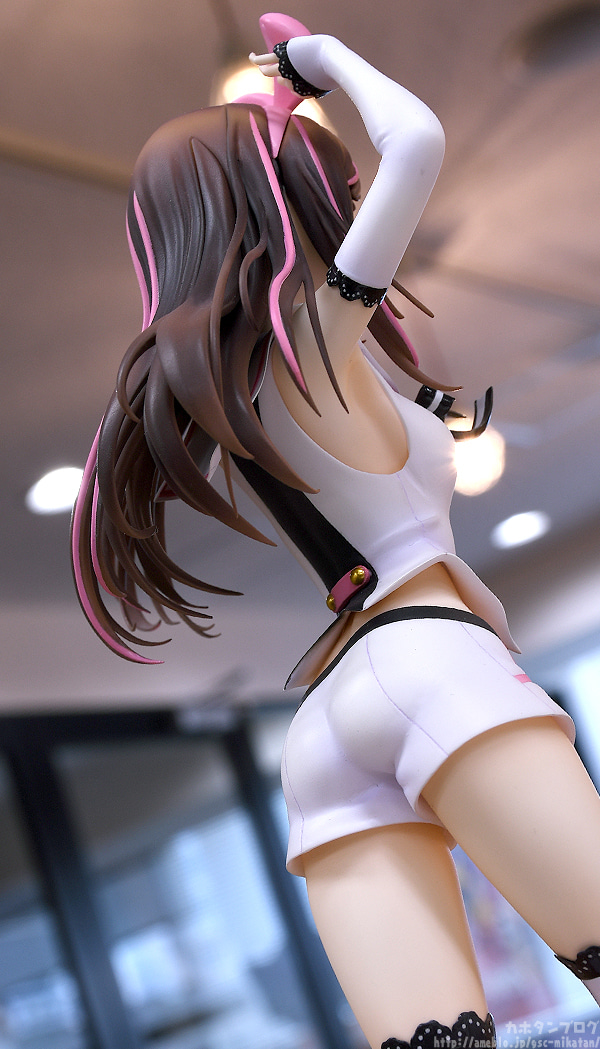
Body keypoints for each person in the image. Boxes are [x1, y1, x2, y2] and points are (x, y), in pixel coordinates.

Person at [71, 13, 600, 1049]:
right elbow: (419, 140)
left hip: (327, 726)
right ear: (285, 197)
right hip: (433, 662)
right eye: (334, 187)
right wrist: (318, 62)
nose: (350, 200)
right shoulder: (312, 335)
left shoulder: (228, 387)